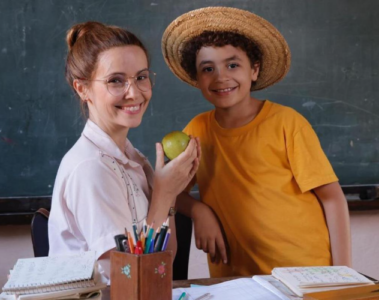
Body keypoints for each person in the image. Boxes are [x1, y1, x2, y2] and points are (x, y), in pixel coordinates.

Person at [161, 7, 351, 278]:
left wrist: (344, 276)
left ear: (255, 70)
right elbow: (171, 190)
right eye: (207, 69)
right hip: (236, 280)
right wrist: (198, 211)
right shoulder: (196, 131)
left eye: (233, 65)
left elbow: (332, 199)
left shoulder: (287, 123)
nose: (220, 77)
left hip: (305, 275)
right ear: (197, 79)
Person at [48, 21, 199, 279]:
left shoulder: (132, 158)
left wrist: (171, 195)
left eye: (141, 77)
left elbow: (165, 263)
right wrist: (162, 194)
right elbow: (130, 279)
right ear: (83, 88)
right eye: (116, 81)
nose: (134, 93)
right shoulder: (91, 169)